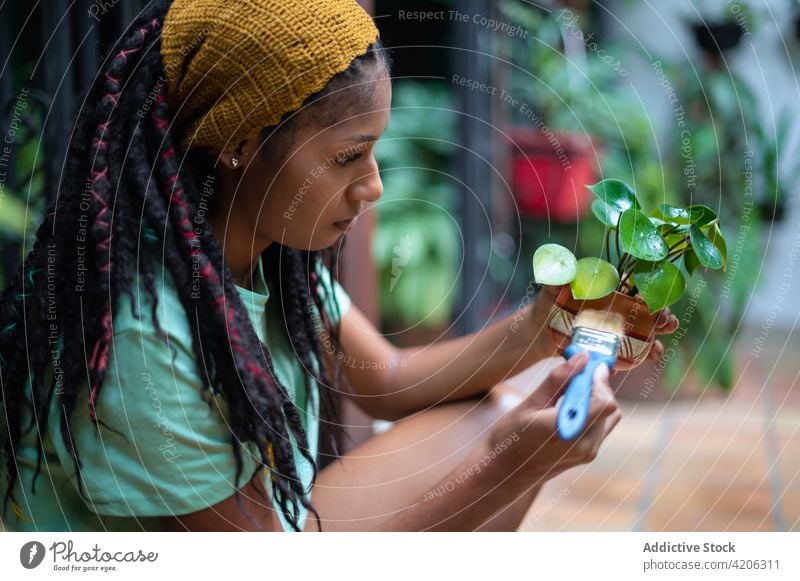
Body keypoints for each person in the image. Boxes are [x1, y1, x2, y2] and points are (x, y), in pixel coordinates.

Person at [0, 0, 678, 532]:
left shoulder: (262, 258)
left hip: (277, 529)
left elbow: (384, 376)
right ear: (240, 142)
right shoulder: (142, 334)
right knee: (505, 444)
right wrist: (512, 465)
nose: (374, 185)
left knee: (510, 400)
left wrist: (541, 326)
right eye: (350, 156)